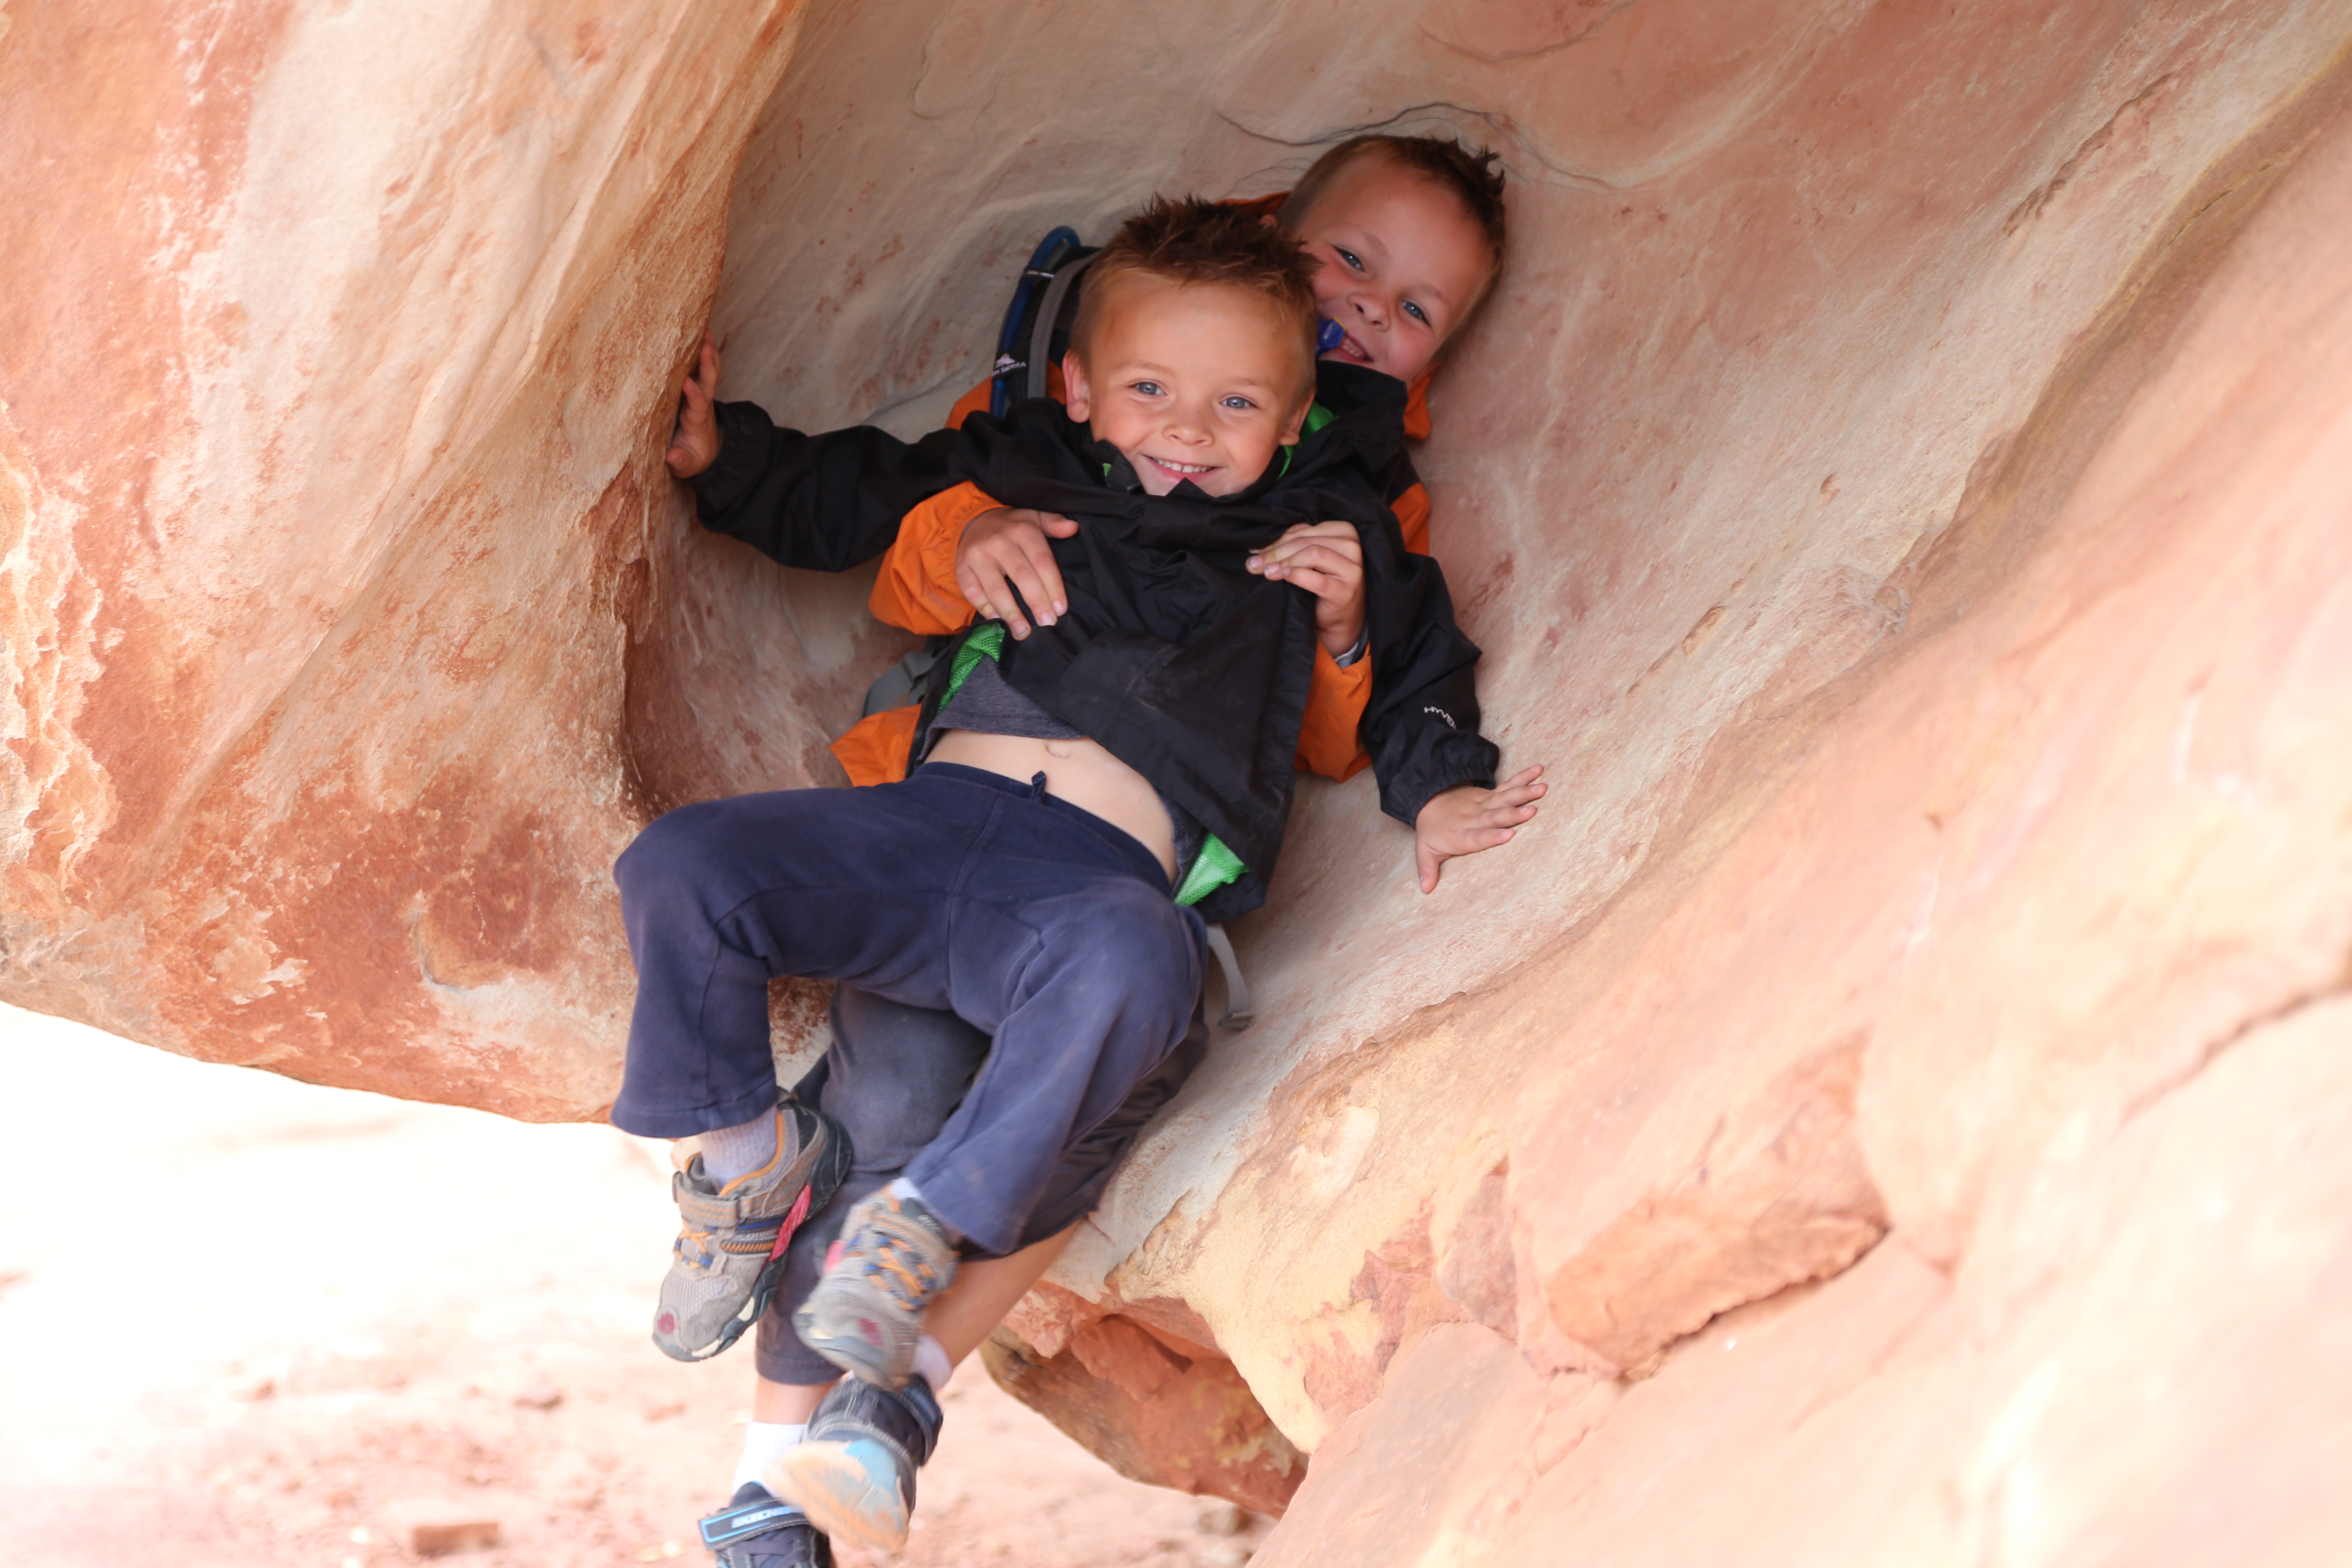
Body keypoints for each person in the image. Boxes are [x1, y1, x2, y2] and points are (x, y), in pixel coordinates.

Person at [628, 196, 1536, 1564]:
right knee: (691, 868)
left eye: (1233, 404)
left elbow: (1413, 674)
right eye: (1152, 392)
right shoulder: (1027, 473)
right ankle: (748, 1171)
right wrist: (737, 461)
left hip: (1089, 894)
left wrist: (1402, 713)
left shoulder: (1330, 529)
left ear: (1289, 423)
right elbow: (864, 493)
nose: (1185, 429)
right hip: (932, 837)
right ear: (1080, 389)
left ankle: (899, 1282)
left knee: (1109, 982)